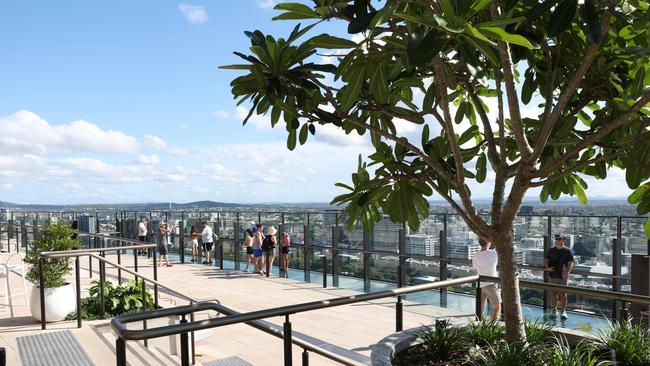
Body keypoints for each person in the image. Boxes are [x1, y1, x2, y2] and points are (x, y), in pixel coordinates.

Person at [545, 233, 574, 320]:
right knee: (554, 293)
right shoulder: (551, 250)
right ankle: (554, 310)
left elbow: (570, 263)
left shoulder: (567, 251)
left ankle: (563, 311)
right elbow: (546, 259)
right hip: (553, 275)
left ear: (563, 240)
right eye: (556, 238)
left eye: (559, 238)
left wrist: (567, 272)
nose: (557, 240)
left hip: (563, 275)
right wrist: (547, 268)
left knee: (563, 294)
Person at [471, 237, 501, 319]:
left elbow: (475, 271)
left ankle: (480, 324)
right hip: (491, 283)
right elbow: (499, 262)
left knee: (480, 307)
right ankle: (493, 324)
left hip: (480, 283)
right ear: (489, 243)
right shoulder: (494, 254)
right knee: (497, 306)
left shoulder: (475, 255)